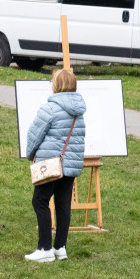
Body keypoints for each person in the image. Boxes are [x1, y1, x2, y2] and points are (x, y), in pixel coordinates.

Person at [25, 68, 86, 263]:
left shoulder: (49, 108)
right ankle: (61, 247)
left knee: (40, 201)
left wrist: (30, 154)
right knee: (63, 205)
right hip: (70, 165)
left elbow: (35, 135)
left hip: (50, 164)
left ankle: (44, 248)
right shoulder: (79, 111)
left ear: (57, 85)